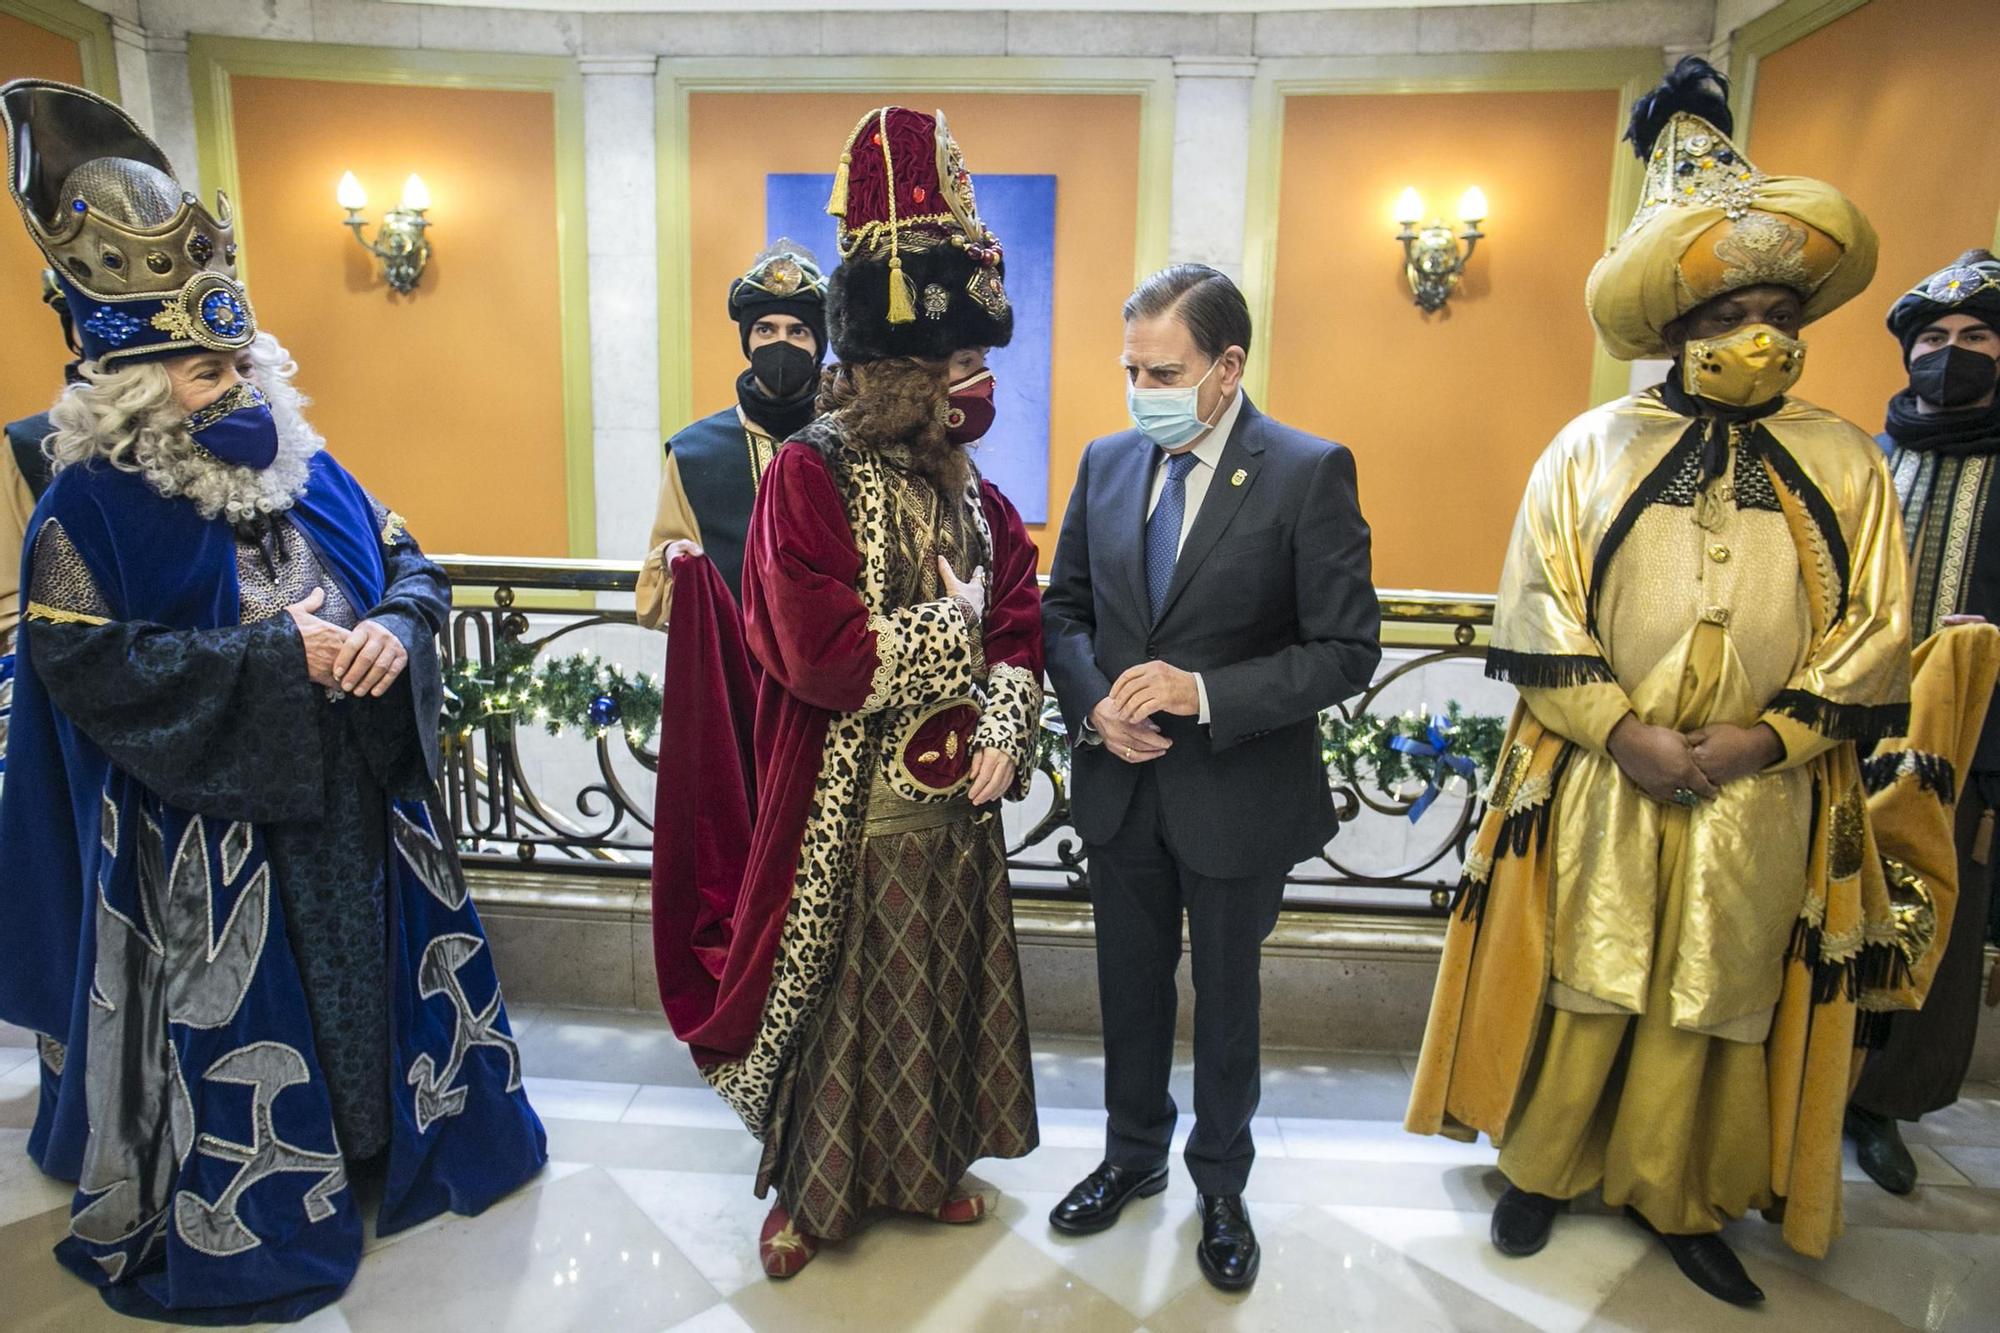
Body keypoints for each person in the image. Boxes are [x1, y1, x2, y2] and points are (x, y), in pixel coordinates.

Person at [0, 79, 545, 1323]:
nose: (235, 387)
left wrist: (394, 632)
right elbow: (84, 672)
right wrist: (272, 662)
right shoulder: (79, 514)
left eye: (240, 358)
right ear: (133, 379)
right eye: (204, 370)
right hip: (205, 836)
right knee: (260, 1007)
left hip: (355, 799)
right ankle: (273, 1197)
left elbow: (411, 564)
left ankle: (378, 1144)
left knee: (364, 985)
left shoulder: (310, 459)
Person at [1405, 58, 1923, 1306]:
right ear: (1677, 326)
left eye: (1777, 311)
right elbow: (1538, 602)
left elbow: (1873, 624)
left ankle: (1684, 1196)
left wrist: (1771, 740)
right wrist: (1620, 728)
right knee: (1591, 967)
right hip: (1606, 767)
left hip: (1762, 781)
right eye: (1728, 310)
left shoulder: (1845, 459)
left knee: (1719, 989)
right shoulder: (1589, 449)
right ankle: (1541, 1170)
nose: (1759, 333)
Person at [650, 106, 1043, 1279]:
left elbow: (1018, 612)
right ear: (894, 370)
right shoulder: (808, 476)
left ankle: (923, 1170)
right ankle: (812, 1198)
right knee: (837, 1003)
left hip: (953, 807)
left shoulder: (974, 492)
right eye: (951, 368)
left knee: (935, 992)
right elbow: (816, 651)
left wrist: (1009, 723)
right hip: (840, 807)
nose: (970, 390)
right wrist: (948, 630)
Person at [1040, 263, 1381, 1291]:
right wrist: (1094, 702)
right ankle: (1130, 1155)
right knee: (1127, 988)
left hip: (1236, 793)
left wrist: (1200, 691)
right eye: (1129, 368)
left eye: (1163, 370)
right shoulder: (1105, 462)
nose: (1140, 387)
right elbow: (1062, 612)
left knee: (1226, 999)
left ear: (1226, 368)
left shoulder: (1304, 471)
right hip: (1120, 786)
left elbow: (1344, 649)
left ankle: (1220, 1183)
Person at [1846, 249, 2000, 1193]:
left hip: (1976, 750)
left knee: (1935, 925)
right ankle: (1814, 1074)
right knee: (1835, 909)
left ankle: (1883, 1108)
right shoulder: (1868, 458)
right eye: (1934, 339)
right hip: (1856, 737)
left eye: (1978, 337)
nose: (1951, 354)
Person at [634, 242, 828, 626]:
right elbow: (656, 592)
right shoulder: (693, 455)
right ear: (747, 341)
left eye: (798, 331)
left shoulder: (854, 442)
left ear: (818, 344)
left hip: (837, 675)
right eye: (765, 329)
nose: (780, 343)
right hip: (737, 669)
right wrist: (676, 558)